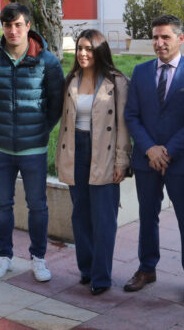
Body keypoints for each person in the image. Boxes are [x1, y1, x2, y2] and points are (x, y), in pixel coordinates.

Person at [0, 3, 64, 282]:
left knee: (37, 205)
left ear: (28, 26)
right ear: (2, 27)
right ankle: (4, 256)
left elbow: (56, 105)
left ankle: (38, 258)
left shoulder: (47, 62)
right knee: (2, 204)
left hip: (34, 149)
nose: (12, 30)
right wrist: (0, 128)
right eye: (7, 25)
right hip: (0, 149)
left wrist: (38, 131)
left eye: (18, 25)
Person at [123, 14, 184, 302]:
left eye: (165, 37)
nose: (159, 43)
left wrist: (168, 150)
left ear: (180, 39)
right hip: (146, 159)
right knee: (147, 216)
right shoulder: (141, 71)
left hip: (180, 160)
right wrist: (150, 148)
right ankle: (147, 269)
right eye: (155, 37)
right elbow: (131, 115)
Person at [55, 29, 131, 295]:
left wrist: (122, 160)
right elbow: (65, 123)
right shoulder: (71, 80)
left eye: (88, 48)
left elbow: (123, 125)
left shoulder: (117, 82)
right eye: (79, 48)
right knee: (80, 215)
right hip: (76, 150)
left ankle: (102, 276)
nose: (83, 53)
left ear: (99, 51)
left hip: (105, 153)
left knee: (104, 218)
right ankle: (86, 270)